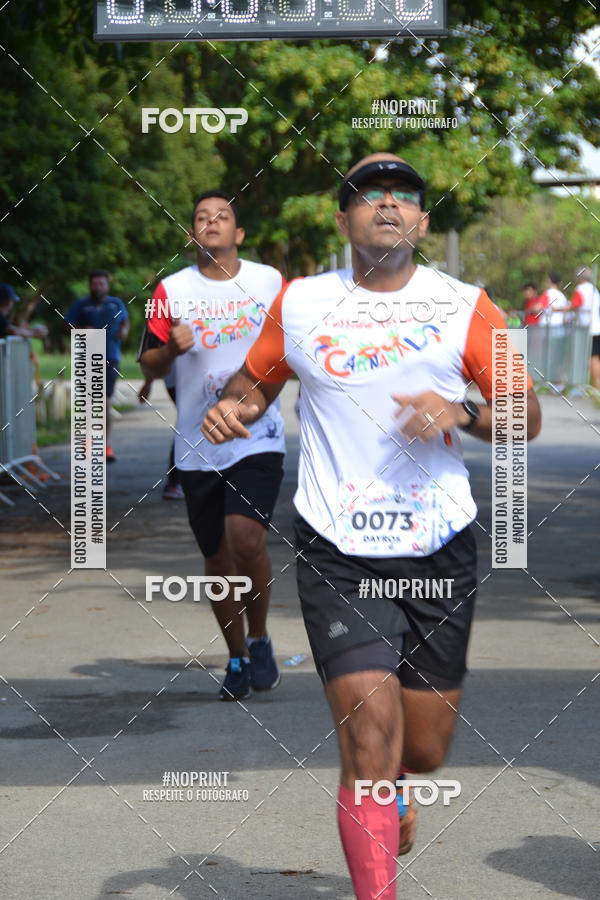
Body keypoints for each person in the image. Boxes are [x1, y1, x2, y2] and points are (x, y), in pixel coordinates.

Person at [201, 153, 542, 898]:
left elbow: (529, 415)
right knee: (368, 743)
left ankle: (398, 791)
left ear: (422, 220)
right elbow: (254, 381)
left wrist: (464, 411)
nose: (387, 205)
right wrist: (238, 407)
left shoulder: (463, 305)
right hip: (338, 547)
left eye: (403, 196)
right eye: (368, 195)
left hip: (438, 545)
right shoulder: (301, 303)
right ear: (343, 219)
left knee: (421, 748)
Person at [139, 190, 285, 701]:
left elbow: (287, 351)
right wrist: (168, 351)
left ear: (239, 233)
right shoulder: (171, 290)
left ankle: (262, 635)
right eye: (201, 217)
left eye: (222, 217)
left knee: (246, 538)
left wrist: (260, 402)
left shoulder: (268, 282)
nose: (211, 223)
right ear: (191, 234)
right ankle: (239, 656)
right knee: (218, 556)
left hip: (257, 436)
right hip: (197, 444)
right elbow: (149, 366)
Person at [63, 270, 129, 462]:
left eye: (101, 284)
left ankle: (105, 445)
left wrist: (124, 330)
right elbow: (65, 326)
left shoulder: (115, 303)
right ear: (90, 285)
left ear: (107, 286)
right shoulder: (81, 305)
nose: (98, 287)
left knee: (105, 403)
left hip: (110, 357)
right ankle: (88, 442)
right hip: (87, 358)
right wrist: (81, 330)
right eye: (94, 284)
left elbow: (125, 321)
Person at [137, 370, 184, 500]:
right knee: (189, 422)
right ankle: (174, 482)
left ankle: (176, 481)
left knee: (190, 422)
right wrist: (148, 383)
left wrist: (148, 383)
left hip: (187, 377)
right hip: (179, 378)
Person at [570, 266, 600, 389]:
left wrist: (558, 309)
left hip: (588, 330)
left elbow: (575, 305)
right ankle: (595, 386)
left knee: (591, 358)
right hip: (597, 328)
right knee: (595, 358)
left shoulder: (580, 289)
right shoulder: (594, 289)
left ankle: (592, 387)